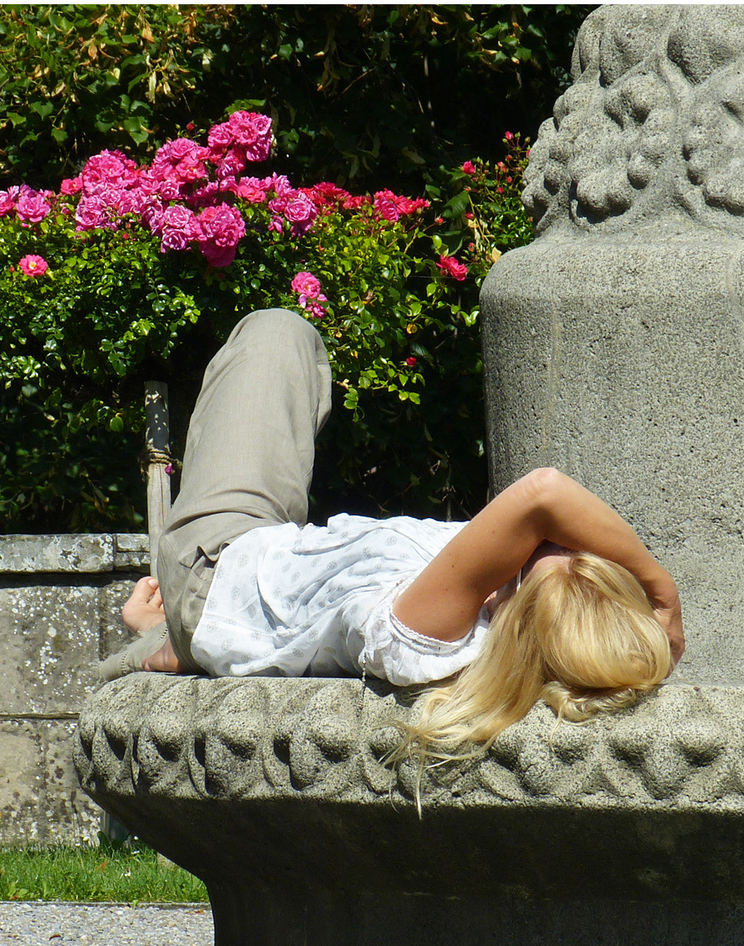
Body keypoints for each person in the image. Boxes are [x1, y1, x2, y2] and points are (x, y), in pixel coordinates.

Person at [104, 308, 684, 772]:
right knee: (230, 631)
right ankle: (173, 643)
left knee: (278, 334)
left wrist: (662, 594)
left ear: (515, 620)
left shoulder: (429, 634)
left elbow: (544, 495)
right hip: (275, 585)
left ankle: (179, 632)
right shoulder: (509, 624)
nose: (550, 546)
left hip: (217, 561)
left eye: (538, 564)